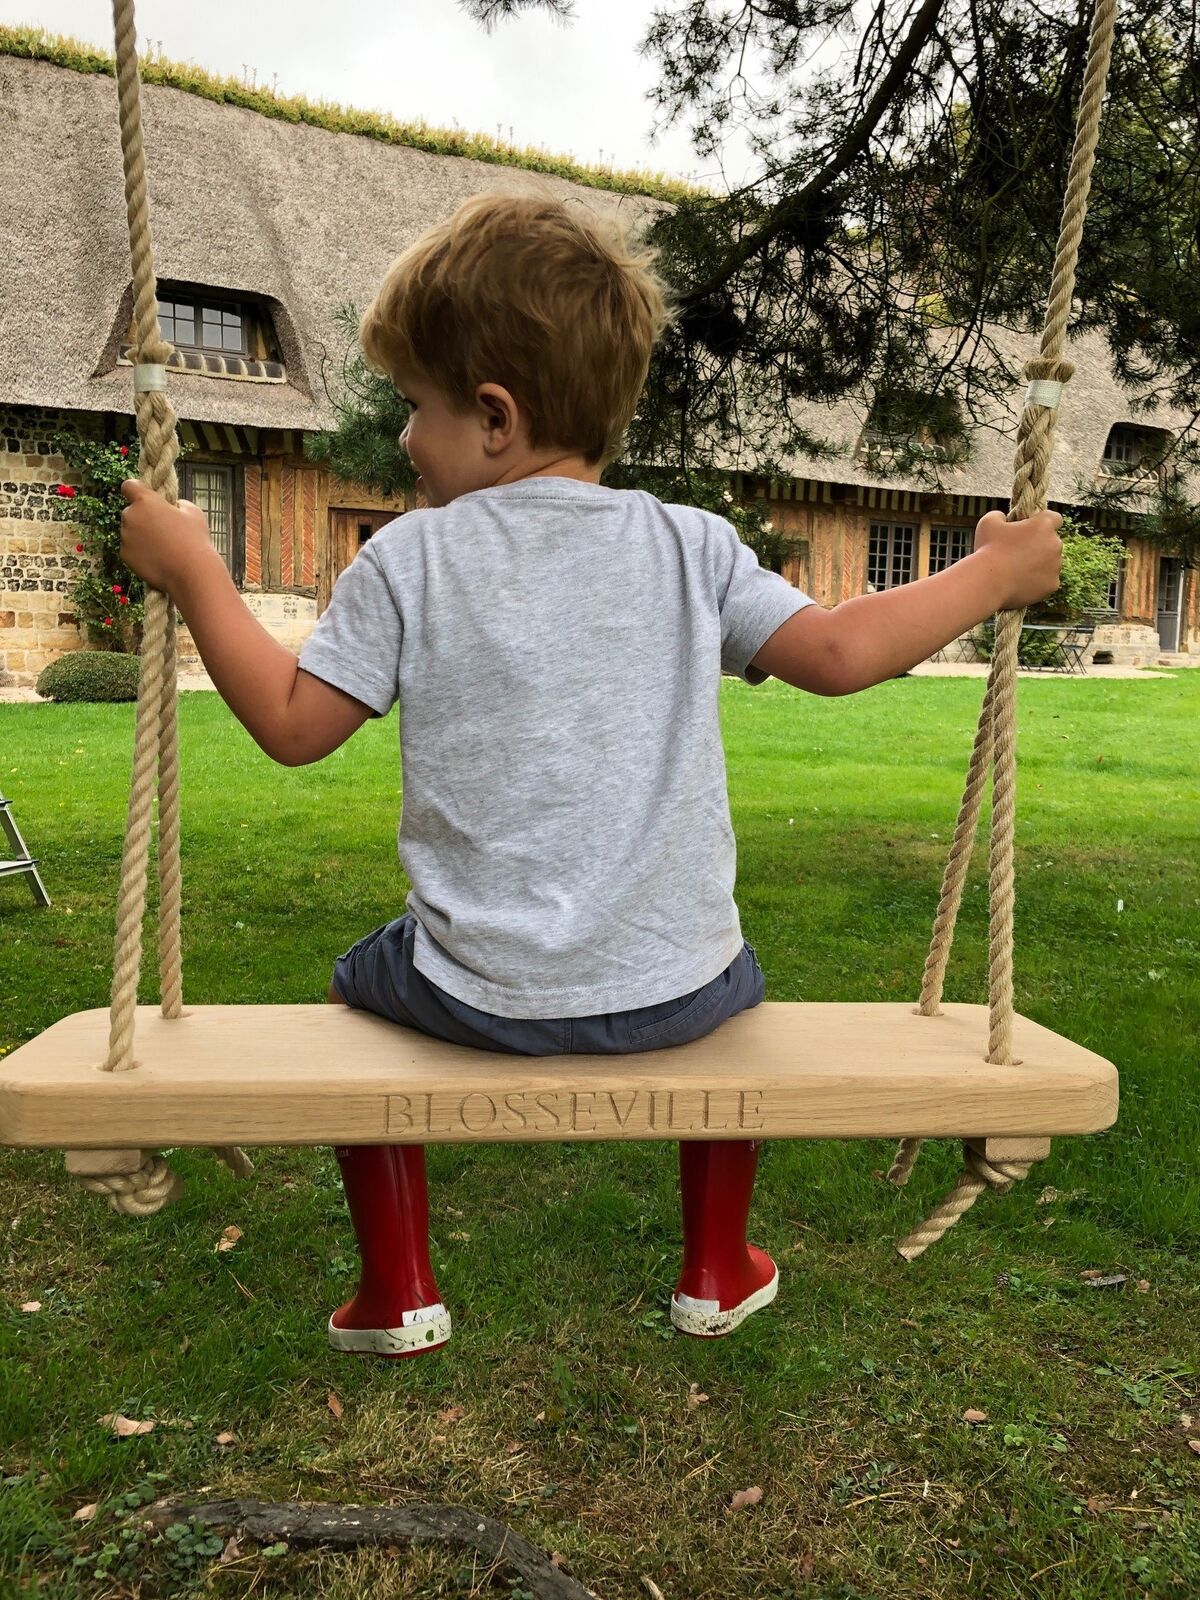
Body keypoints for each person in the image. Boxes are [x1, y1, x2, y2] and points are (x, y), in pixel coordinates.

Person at [118, 194, 1063, 1360]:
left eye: (415, 408)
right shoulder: (689, 542)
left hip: (471, 993)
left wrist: (198, 570)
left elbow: (293, 726)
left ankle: (398, 1287)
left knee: (354, 993)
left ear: (495, 418)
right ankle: (718, 1266)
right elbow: (835, 652)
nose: (405, 439)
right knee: (738, 981)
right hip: (682, 991)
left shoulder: (408, 558)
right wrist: (992, 578)